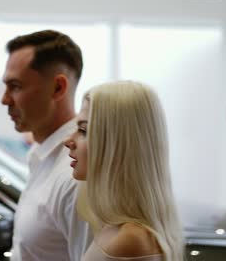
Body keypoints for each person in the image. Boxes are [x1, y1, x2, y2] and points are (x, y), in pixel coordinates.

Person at [64, 81, 184, 261]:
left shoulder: (130, 241)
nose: (68, 140)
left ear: (118, 144)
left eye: (83, 130)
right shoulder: (118, 229)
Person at [1, 30, 91, 260]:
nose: (5, 99)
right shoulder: (41, 155)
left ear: (58, 88)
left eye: (16, 86)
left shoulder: (75, 173)